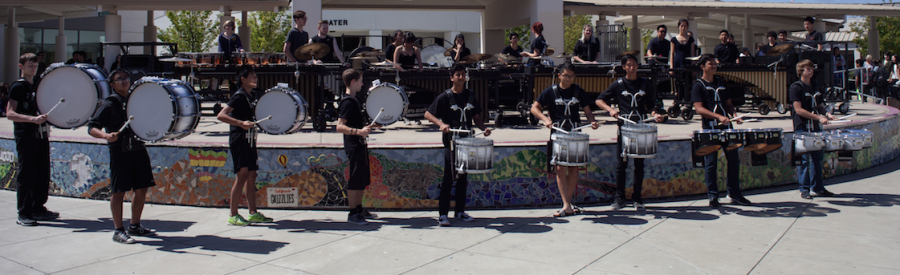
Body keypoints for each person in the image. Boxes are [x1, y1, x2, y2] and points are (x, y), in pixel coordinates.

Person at [87, 69, 157, 243]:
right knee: (119, 192)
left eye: (126, 78)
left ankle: (135, 225)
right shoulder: (109, 104)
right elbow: (92, 127)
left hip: (138, 149)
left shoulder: (134, 101)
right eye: (120, 79)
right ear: (112, 84)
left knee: (142, 188)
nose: (125, 81)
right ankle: (118, 230)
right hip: (120, 152)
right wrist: (105, 136)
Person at [424, 63, 491, 226]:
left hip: (467, 142)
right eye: (458, 74)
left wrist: (484, 128)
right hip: (451, 143)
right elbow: (428, 113)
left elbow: (476, 117)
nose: (461, 77)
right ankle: (443, 214)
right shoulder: (445, 96)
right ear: (451, 77)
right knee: (449, 177)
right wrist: (441, 124)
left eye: (463, 74)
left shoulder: (470, 95)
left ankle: (460, 211)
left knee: (463, 178)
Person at [595, 54, 664, 211]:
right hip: (624, 128)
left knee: (639, 164)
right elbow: (599, 100)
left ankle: (637, 198)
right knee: (622, 164)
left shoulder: (645, 83)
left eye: (634, 64)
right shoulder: (618, 84)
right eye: (629, 65)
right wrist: (611, 110)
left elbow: (651, 106)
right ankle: (619, 198)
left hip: (640, 128)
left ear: (638, 66)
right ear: (624, 67)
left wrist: (655, 114)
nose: (632, 67)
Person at [530, 63, 599, 217]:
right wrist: (545, 120)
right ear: (559, 75)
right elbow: (534, 108)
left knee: (573, 168)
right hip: (559, 134)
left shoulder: (578, 90)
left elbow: (588, 111)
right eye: (566, 76)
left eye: (572, 76)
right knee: (560, 169)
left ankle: (568, 203)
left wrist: (592, 121)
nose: (569, 79)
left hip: (575, 133)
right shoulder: (551, 91)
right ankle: (566, 204)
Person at [690, 54, 752, 207]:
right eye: (710, 63)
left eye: (715, 63)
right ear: (702, 66)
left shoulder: (721, 83)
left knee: (734, 161)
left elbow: (729, 104)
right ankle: (713, 196)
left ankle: (734, 193)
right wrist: (717, 116)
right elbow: (699, 109)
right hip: (710, 129)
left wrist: (735, 116)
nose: (714, 65)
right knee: (711, 163)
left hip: (727, 127)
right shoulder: (698, 85)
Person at [216, 67, 274, 226]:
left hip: (249, 139)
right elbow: (221, 115)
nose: (255, 79)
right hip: (239, 139)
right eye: (252, 76)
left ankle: (252, 212)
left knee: (252, 175)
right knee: (241, 176)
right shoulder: (239, 96)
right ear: (243, 79)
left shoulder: (251, 96)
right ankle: (233, 215)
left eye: (256, 76)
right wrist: (241, 123)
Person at [6, 53, 58, 226]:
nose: (34, 69)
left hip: (41, 134)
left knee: (42, 172)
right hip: (26, 135)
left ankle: (38, 207)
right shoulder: (18, 87)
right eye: (30, 66)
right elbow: (10, 114)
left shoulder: (38, 85)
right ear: (21, 67)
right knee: (27, 174)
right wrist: (32, 119)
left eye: (36, 66)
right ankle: (24, 212)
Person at [336, 68, 379, 225]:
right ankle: (353, 213)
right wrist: (359, 132)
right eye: (360, 80)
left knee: (361, 178)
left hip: (360, 144)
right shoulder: (347, 102)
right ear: (353, 82)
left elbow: (358, 123)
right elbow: (340, 126)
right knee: (354, 179)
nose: (362, 83)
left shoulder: (356, 101)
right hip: (353, 145)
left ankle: (359, 208)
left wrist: (371, 126)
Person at [790, 59, 836, 199]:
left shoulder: (816, 85)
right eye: (807, 68)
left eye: (812, 68)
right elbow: (798, 110)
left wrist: (827, 114)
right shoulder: (796, 87)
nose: (811, 70)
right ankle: (804, 189)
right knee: (804, 161)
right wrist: (818, 118)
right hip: (802, 128)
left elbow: (820, 105)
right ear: (801, 71)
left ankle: (818, 187)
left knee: (817, 159)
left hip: (816, 128)